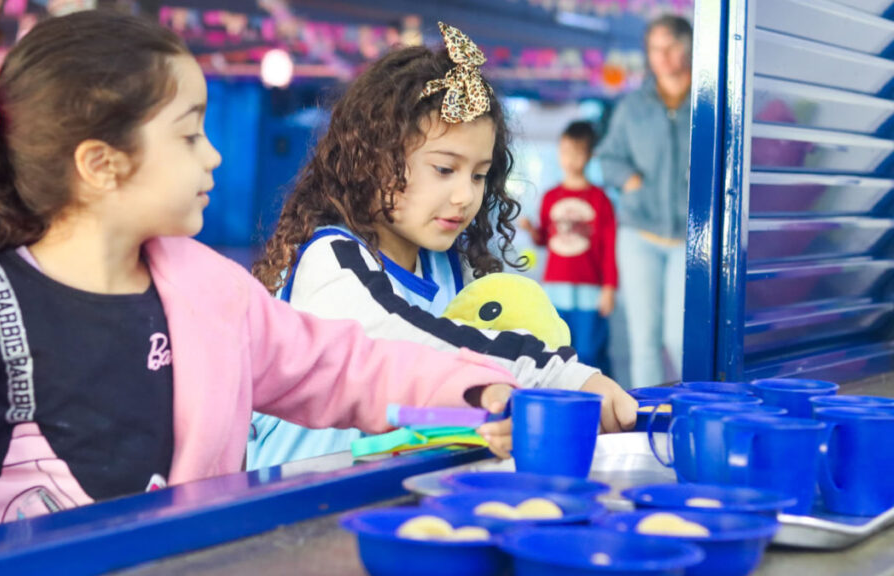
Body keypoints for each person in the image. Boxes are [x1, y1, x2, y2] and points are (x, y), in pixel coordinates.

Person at [0, 11, 517, 546]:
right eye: (188, 136)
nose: (214, 154)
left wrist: (477, 388)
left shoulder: (212, 297)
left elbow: (345, 369)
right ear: (102, 164)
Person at [248, 23, 637, 469]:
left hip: (398, 486)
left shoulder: (449, 266)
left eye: (478, 175)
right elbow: (416, 344)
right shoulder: (330, 260)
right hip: (294, 499)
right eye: (444, 170)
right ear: (374, 160)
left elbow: (499, 337)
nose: (465, 197)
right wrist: (562, 375)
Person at [594, 14, 692, 388]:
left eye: (671, 46)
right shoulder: (634, 106)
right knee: (643, 340)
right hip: (639, 233)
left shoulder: (706, 102)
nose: (663, 56)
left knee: (680, 338)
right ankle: (646, 419)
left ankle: (697, 412)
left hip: (689, 237)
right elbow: (608, 157)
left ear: (688, 46)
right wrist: (629, 180)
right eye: (655, 49)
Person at [519, 121, 616, 374]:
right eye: (565, 151)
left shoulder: (600, 199)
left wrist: (609, 288)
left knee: (589, 350)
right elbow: (545, 240)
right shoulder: (551, 196)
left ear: (589, 155)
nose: (570, 159)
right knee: (557, 347)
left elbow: (609, 247)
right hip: (556, 284)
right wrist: (532, 231)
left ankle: (599, 398)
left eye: (577, 152)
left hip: (590, 287)